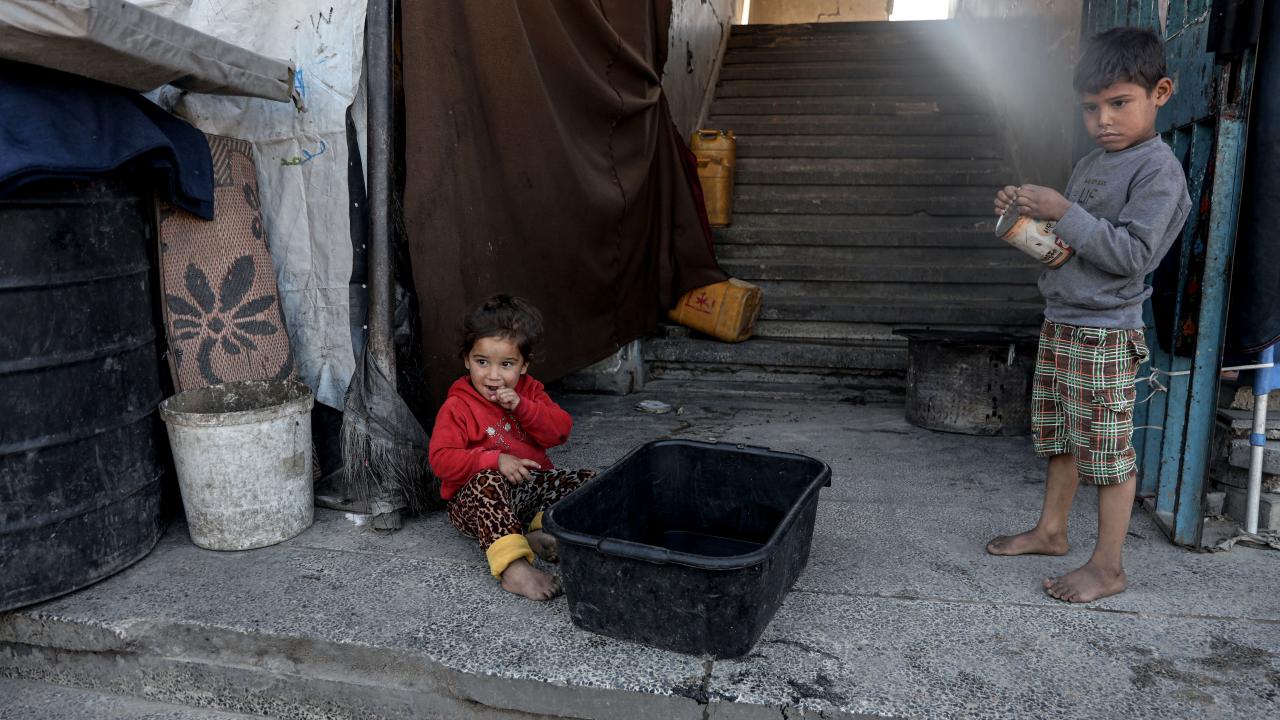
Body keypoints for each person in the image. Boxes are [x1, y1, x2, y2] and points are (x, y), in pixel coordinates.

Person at [986, 27, 1191, 603]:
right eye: (1091, 108)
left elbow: (1131, 255)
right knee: (1061, 438)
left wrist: (1064, 210)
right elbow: (1067, 248)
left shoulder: (1158, 171)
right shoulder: (1092, 163)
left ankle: (1108, 566)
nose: (1103, 119)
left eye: (1119, 103)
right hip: (1063, 321)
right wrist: (1025, 223)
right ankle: (1051, 532)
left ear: (1160, 93)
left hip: (1106, 333)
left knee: (1107, 454)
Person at [429, 295, 594, 600]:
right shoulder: (458, 406)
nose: (493, 376)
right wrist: (495, 460)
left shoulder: (531, 392)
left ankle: (541, 530)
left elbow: (560, 431)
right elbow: (441, 460)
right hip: (478, 504)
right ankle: (513, 568)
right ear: (466, 359)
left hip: (528, 490)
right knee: (487, 480)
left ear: (524, 365)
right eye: (482, 362)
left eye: (506, 364)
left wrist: (523, 408)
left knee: (589, 482)